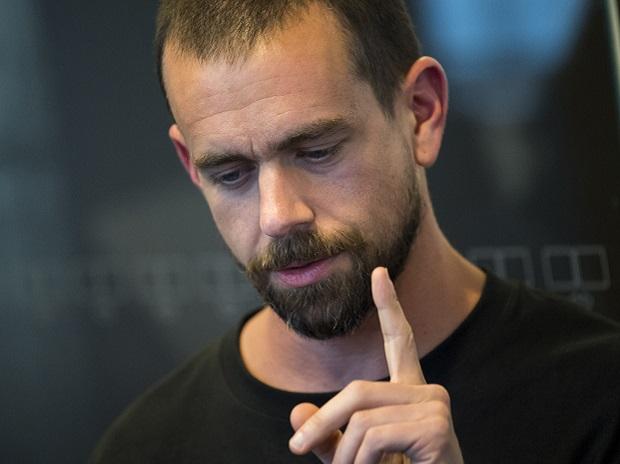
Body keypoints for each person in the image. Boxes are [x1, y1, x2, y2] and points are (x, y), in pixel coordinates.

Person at [90, 1, 620, 462]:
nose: (277, 216)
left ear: (421, 114)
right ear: (189, 164)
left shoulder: (598, 399)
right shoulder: (144, 448)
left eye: (317, 151)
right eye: (231, 174)